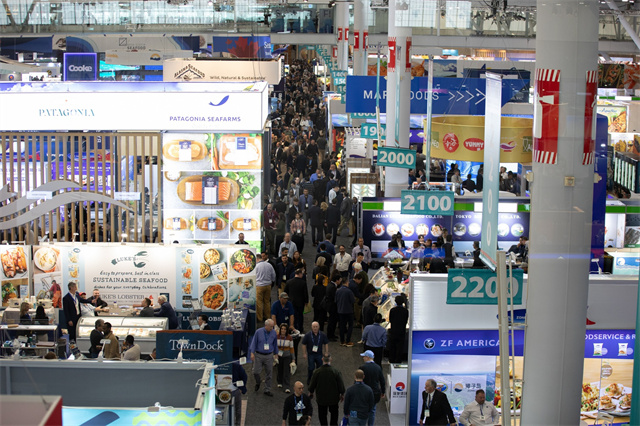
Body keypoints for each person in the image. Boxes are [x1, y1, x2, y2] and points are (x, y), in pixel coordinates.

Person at [308, 354, 345, 426]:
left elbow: (312, 384)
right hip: (333, 399)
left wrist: (311, 392)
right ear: (331, 359)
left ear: (322, 359)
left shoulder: (317, 372)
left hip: (321, 399)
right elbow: (341, 385)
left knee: (322, 415)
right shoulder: (336, 371)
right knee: (334, 415)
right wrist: (342, 393)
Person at [249, 319, 278, 396]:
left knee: (269, 373)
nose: (272, 328)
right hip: (259, 355)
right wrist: (252, 353)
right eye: (270, 326)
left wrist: (276, 353)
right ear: (266, 325)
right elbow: (254, 343)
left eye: (272, 326)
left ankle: (267, 389)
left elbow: (275, 344)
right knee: (255, 372)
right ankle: (258, 381)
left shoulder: (274, 332)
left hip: (269, 355)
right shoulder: (258, 332)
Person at [359, 350, 386, 425]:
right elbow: (382, 381)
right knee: (372, 411)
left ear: (367, 357)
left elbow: (358, 380)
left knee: (363, 411)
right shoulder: (378, 367)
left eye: (364, 356)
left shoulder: (362, 368)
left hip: (364, 393)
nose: (363, 358)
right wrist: (383, 391)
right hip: (375, 393)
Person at [284, 266, 309, 333]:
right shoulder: (303, 283)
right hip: (300, 302)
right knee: (300, 315)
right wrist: (306, 301)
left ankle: (293, 327)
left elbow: (285, 292)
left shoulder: (289, 282)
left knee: (292, 315)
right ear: (300, 274)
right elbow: (305, 293)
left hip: (291, 302)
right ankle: (300, 328)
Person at [335, 273, 355, 347]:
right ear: (346, 282)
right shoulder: (349, 291)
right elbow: (353, 301)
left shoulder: (338, 291)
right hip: (349, 311)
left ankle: (342, 341)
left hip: (340, 311)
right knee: (350, 326)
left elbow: (336, 300)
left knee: (342, 326)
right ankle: (348, 340)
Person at [255, 252, 276, 322]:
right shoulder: (269, 265)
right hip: (268, 286)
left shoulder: (256, 266)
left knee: (259, 302)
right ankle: (267, 316)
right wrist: (271, 282)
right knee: (267, 302)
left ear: (257, 259)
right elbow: (273, 275)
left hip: (259, 286)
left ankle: (260, 318)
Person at [388, 296, 409, 364]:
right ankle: (398, 360)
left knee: (392, 346)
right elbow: (406, 321)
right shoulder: (405, 311)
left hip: (393, 331)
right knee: (400, 347)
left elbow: (390, 320)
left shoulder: (392, 310)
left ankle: (392, 359)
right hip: (402, 331)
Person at [277, 323, 295, 392]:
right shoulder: (277, 336)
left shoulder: (289, 338)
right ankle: (279, 382)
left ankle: (287, 386)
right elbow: (275, 347)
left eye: (285, 329)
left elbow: (292, 348)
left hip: (287, 356)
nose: (283, 330)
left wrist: (293, 359)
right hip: (279, 356)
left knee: (286, 371)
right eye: (282, 329)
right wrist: (275, 355)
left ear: (286, 330)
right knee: (279, 369)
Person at [324, 271, 340, 341]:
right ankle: (330, 335)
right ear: (337, 280)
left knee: (332, 321)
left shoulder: (330, 285)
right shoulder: (333, 287)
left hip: (330, 305)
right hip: (332, 306)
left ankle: (332, 334)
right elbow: (334, 297)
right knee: (332, 321)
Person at [231, 360, 248, 426]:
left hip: (235, 390)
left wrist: (241, 388)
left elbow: (244, 377)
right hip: (223, 391)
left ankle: (237, 424)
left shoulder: (235, 366)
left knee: (237, 410)